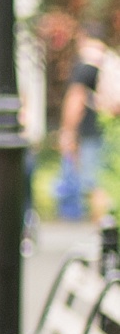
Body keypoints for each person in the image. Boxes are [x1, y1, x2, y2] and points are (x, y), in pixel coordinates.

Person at [57, 25, 111, 221]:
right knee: (106, 182)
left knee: (93, 184)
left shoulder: (85, 65)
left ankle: (104, 235)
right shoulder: (107, 60)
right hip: (110, 129)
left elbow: (76, 99)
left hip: (90, 132)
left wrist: (68, 131)